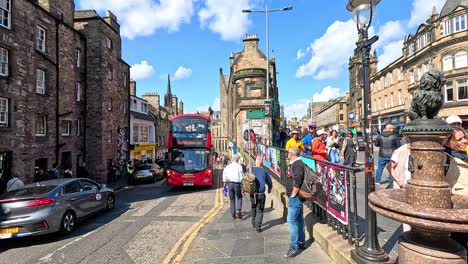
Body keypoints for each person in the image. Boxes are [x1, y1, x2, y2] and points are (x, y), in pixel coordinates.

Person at [284, 147, 306, 259]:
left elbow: (298, 181)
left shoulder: (297, 164)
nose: (287, 154)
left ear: (292, 154)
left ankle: (294, 247)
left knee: (291, 221)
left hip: (295, 198)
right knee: (299, 220)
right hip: (297, 197)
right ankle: (301, 242)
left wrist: (292, 195)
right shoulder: (296, 163)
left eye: (288, 153)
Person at [250, 156, 272, 233]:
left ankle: (253, 222)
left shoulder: (251, 170)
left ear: (256, 162)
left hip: (252, 194)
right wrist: (269, 188)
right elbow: (269, 181)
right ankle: (258, 227)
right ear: (262, 163)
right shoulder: (264, 171)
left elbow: (245, 180)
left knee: (253, 208)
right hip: (261, 194)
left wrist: (243, 189)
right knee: (260, 210)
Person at [222, 154, 244, 220]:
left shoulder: (227, 167)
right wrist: (242, 187)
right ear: (237, 160)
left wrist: (224, 186)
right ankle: (238, 210)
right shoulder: (239, 167)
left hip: (230, 184)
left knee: (232, 199)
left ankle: (233, 215)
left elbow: (224, 177)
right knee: (239, 197)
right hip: (237, 184)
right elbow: (241, 178)